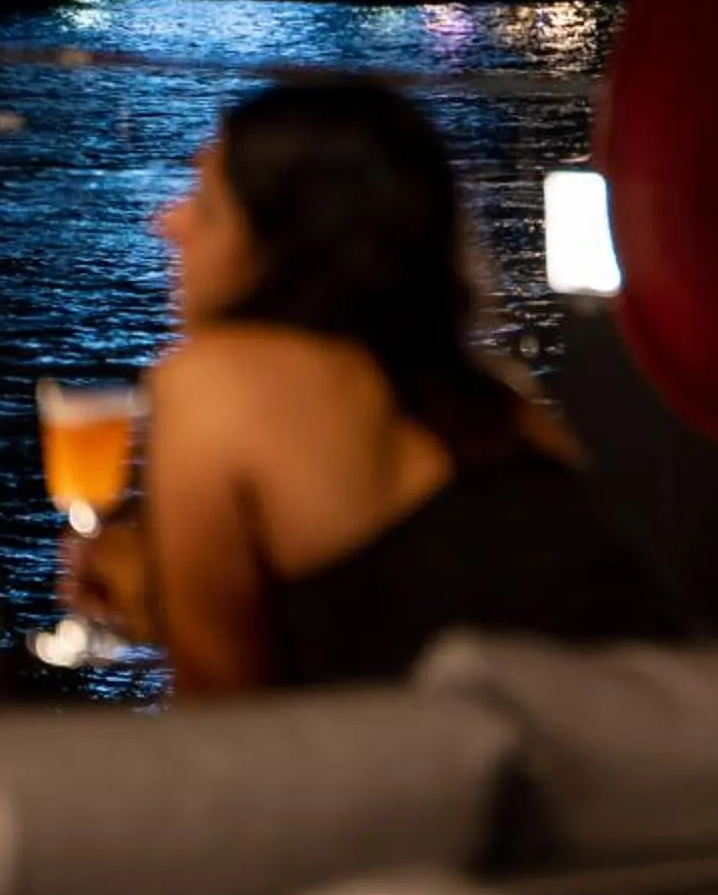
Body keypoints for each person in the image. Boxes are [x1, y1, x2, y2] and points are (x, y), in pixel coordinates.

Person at [70, 77, 679, 696]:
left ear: (283, 247)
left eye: (208, 205)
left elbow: (228, 743)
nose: (167, 221)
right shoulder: (502, 402)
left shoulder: (215, 385)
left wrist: (181, 605)